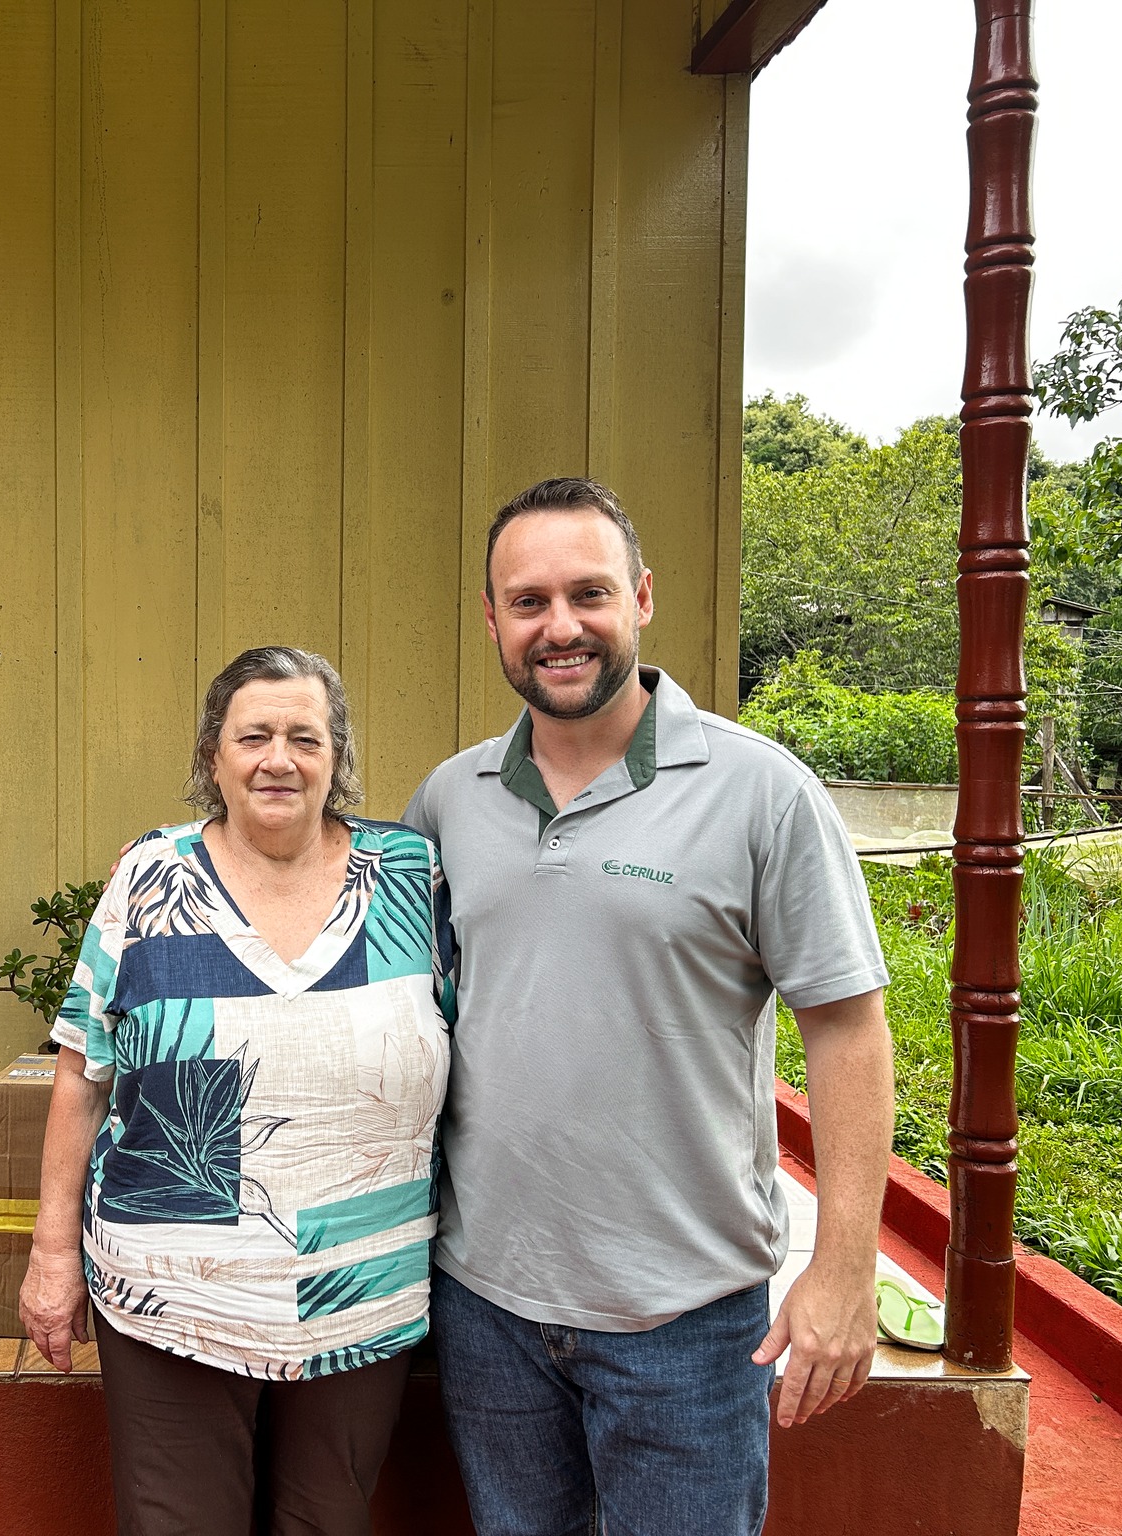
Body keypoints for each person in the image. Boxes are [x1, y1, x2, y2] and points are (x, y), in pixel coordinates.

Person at [402, 477, 895, 1535]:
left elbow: (847, 1030)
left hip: (685, 1315)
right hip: (486, 1299)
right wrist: (187, 869)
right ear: (491, 621)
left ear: (641, 597)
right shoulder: (451, 800)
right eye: (526, 602)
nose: (559, 626)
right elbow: (369, 959)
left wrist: (843, 1266)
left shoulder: (759, 792)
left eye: (587, 593)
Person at [21, 645, 453, 1536]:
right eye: (252, 735)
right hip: (175, 1289)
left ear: (337, 757)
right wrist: (52, 1253)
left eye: (305, 736)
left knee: (327, 1522)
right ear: (212, 756)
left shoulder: (412, 874)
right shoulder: (150, 879)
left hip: (360, 1283)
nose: (279, 758)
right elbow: (80, 1066)